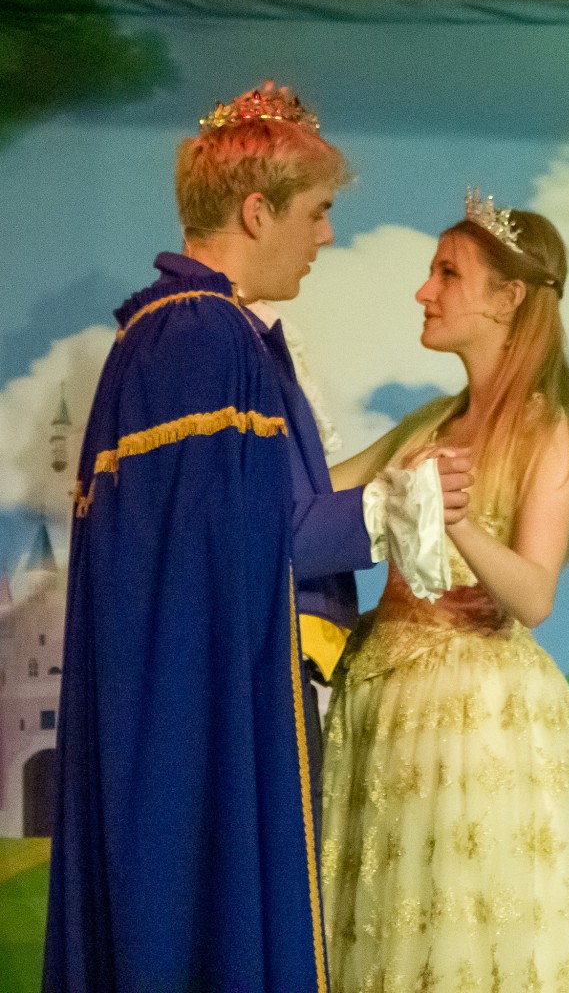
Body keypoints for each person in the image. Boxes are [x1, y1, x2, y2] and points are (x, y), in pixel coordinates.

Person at [43, 83, 468, 993]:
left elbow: (238, 523)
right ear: (255, 210)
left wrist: (400, 462)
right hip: (202, 719)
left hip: (193, 698)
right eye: (316, 212)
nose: (326, 236)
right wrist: (391, 511)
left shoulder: (185, 331)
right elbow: (239, 545)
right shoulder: (201, 335)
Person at [320, 190, 569, 993]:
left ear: (508, 298)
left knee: (469, 933)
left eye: (447, 274)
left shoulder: (548, 429)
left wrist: (453, 521)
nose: (423, 291)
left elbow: (533, 595)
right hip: (383, 705)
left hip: (476, 718)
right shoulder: (427, 422)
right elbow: (315, 495)